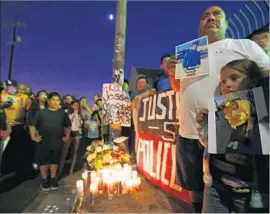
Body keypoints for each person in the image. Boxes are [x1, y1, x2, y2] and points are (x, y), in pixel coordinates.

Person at [167, 6, 269, 213]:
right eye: (205, 16)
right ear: (199, 26)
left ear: (227, 24)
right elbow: (179, 88)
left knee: (224, 184)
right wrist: (172, 73)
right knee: (194, 182)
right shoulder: (189, 55)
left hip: (226, 133)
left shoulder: (243, 45)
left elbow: (266, 77)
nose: (211, 18)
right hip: (188, 131)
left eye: (217, 15)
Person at [196, 59, 269, 213]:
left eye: (234, 78)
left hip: (250, 193)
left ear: (252, 80)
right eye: (223, 81)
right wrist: (204, 125)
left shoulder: (264, 110)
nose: (226, 85)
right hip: (216, 186)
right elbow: (208, 143)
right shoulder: (220, 110)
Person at [28, 92, 71, 191]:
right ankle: (44, 179)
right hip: (43, 141)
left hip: (57, 141)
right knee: (43, 162)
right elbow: (32, 125)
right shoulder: (41, 112)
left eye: (57, 100)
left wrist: (67, 136)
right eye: (53, 100)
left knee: (54, 161)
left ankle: (53, 179)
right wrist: (33, 136)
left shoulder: (62, 113)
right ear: (49, 101)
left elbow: (68, 125)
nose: (55, 102)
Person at [59, 100, 83, 176]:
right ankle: (60, 170)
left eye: (77, 105)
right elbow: (67, 123)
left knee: (75, 152)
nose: (76, 107)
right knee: (64, 152)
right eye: (75, 105)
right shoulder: (67, 113)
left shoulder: (79, 114)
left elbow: (79, 125)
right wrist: (73, 114)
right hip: (69, 132)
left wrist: (77, 116)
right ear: (71, 106)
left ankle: (71, 170)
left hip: (77, 132)